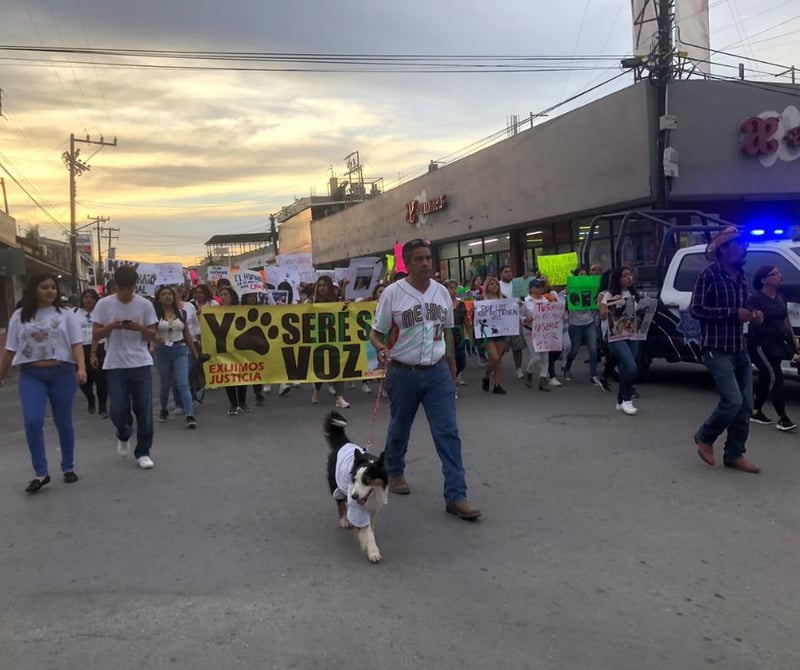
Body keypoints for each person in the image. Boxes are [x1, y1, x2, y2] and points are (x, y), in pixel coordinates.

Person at [370, 238, 481, 520]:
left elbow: (448, 333)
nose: (425, 263)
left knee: (448, 433)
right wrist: (382, 349)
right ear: (407, 263)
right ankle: (394, 471)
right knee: (400, 427)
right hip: (403, 372)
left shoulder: (442, 293)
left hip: (436, 372)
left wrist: (453, 372)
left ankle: (457, 495)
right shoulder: (393, 294)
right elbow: (376, 333)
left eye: (428, 258)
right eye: (419, 259)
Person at [0, 273, 87, 493]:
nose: (50, 291)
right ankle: (41, 472)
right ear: (33, 290)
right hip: (32, 374)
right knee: (32, 420)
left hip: (62, 373)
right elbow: (10, 349)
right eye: (44, 287)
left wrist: (81, 368)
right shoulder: (20, 316)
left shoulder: (66, 315)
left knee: (63, 420)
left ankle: (68, 466)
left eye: (53, 287)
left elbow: (76, 344)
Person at [691, 226, 762, 473]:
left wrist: (754, 315)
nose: (744, 249)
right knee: (732, 401)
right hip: (716, 347)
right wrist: (734, 313)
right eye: (738, 245)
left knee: (745, 405)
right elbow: (696, 310)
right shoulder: (708, 276)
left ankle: (734, 454)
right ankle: (704, 436)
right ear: (723, 250)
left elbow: (744, 309)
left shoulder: (741, 277)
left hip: (739, 347)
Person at [92, 265, 159, 470]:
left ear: (134, 286)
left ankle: (143, 452)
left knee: (144, 409)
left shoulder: (145, 305)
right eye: (122, 288)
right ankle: (123, 433)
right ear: (116, 286)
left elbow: (154, 335)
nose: (125, 293)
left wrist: (138, 327)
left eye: (129, 289)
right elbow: (95, 334)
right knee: (118, 409)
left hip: (140, 361)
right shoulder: (104, 305)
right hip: (115, 363)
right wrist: (112, 326)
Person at [747, 265, 797, 431]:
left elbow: (785, 320)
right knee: (775, 376)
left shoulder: (779, 297)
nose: (779, 276)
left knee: (767, 376)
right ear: (763, 280)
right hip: (759, 344)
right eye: (774, 274)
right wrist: (757, 318)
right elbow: (754, 320)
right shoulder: (756, 298)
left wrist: (792, 339)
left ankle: (755, 410)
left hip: (776, 343)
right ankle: (782, 417)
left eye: (778, 272)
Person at [152, 286, 199, 429]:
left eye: (170, 294)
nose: (167, 297)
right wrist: (153, 345)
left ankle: (189, 414)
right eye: (164, 294)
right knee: (165, 384)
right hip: (162, 351)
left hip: (180, 349)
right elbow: (151, 333)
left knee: (183, 383)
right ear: (159, 298)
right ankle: (164, 409)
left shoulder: (181, 313)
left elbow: (187, 334)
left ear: (174, 297)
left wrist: (194, 352)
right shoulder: (155, 315)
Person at [599, 266, 642, 415]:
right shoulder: (609, 294)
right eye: (625, 275)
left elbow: (638, 311)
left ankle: (620, 400)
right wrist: (609, 306)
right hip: (616, 335)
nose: (629, 278)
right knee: (631, 366)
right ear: (618, 278)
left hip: (632, 333)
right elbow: (603, 316)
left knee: (626, 367)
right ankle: (627, 400)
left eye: (630, 274)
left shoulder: (633, 293)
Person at [310, 275, 351, 408]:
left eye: (324, 285)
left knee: (338, 366)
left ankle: (339, 397)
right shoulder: (313, 301)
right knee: (320, 367)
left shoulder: (337, 301)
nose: (322, 288)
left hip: (335, 339)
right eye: (319, 285)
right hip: (318, 339)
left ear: (329, 287)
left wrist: (347, 305)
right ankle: (317, 390)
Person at [74, 288, 108, 417]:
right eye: (86, 297)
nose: (88, 300)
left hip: (100, 346)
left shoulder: (101, 313)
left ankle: (103, 405)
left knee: (101, 378)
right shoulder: (75, 313)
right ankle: (90, 398)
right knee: (84, 379)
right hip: (82, 347)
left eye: (92, 297)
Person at [521, 278, 552, 392]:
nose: (540, 288)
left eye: (541, 286)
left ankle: (542, 380)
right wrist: (526, 319)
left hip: (544, 331)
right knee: (536, 357)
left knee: (545, 357)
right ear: (532, 289)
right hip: (530, 331)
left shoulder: (545, 301)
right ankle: (528, 373)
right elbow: (520, 317)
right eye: (538, 286)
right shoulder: (526, 302)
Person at [479, 276, 509, 395]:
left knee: (499, 359)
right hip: (487, 332)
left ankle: (497, 385)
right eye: (491, 284)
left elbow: (511, 309)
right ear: (487, 287)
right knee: (494, 357)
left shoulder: (504, 298)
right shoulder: (482, 299)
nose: (494, 286)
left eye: (496, 284)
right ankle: (486, 376)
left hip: (501, 331)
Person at [499, 265, 527, 380]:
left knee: (517, 347)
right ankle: (497, 367)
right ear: (501, 274)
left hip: (516, 318)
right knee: (502, 347)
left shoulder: (517, 284)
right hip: (503, 320)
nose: (509, 273)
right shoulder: (498, 285)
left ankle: (519, 369)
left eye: (510, 271)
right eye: (506, 272)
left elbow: (524, 297)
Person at [445, 280, 468, 396]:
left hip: (459, 335)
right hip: (447, 335)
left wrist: (470, 333)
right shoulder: (443, 304)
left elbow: (465, 320)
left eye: (455, 288)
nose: (454, 291)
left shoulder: (461, 304)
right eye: (451, 288)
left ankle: (453, 378)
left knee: (461, 362)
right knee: (451, 363)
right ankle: (452, 387)